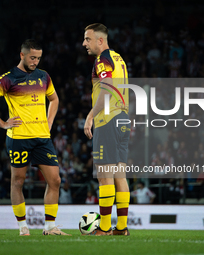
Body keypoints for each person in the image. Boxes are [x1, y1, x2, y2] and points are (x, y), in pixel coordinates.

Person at [0, 39, 70, 236]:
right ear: (22, 55)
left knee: (55, 180)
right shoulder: (7, 79)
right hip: (18, 138)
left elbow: (54, 99)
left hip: (42, 138)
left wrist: (49, 121)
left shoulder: (44, 76)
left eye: (38, 58)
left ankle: (50, 227)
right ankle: (23, 227)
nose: (35, 61)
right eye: (32, 57)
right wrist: (2, 123)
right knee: (18, 182)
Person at [83, 23, 131, 236]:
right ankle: (121, 228)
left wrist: (91, 115)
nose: (84, 43)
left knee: (104, 175)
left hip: (108, 119)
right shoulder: (119, 58)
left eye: (88, 39)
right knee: (120, 175)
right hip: (123, 118)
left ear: (100, 40)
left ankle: (103, 228)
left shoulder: (102, 60)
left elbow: (107, 86)